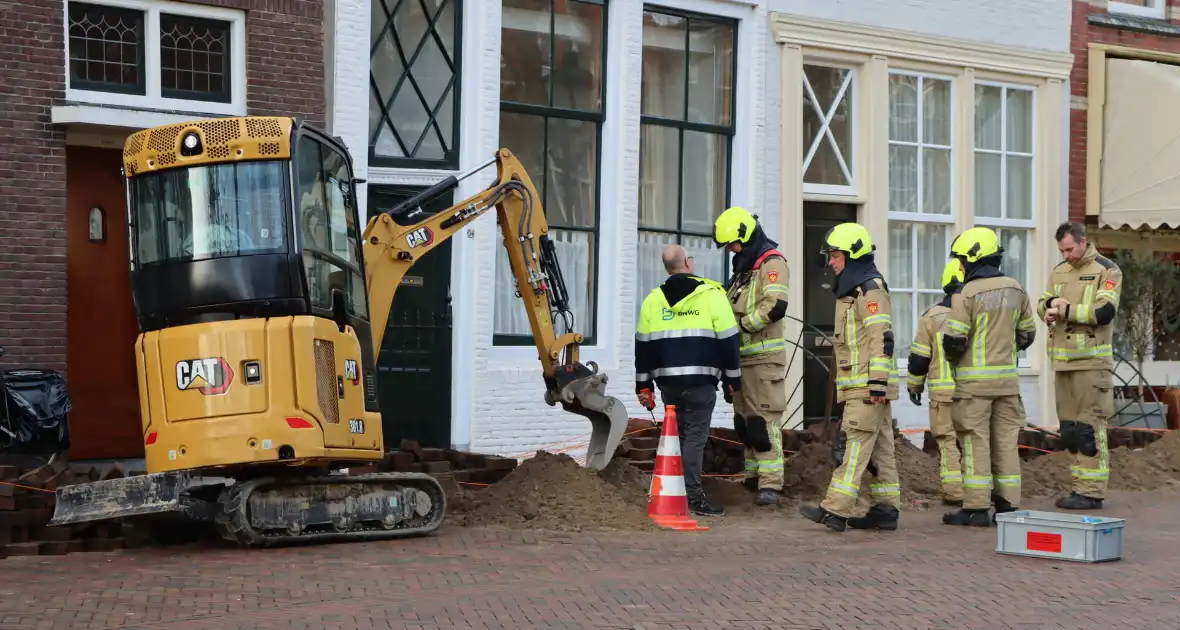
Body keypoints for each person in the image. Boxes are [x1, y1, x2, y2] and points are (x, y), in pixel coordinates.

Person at [798, 222, 902, 532]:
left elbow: (881, 337)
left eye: (835, 255)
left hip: (867, 387)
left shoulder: (870, 289)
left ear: (852, 255)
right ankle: (885, 509)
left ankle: (835, 509)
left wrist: (877, 383)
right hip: (863, 386)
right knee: (881, 448)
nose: (830, 261)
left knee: (854, 445)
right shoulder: (855, 290)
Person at [939, 227, 1037, 526]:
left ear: (972, 259)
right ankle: (1008, 506)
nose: (960, 266)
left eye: (960, 260)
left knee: (974, 442)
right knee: (1006, 443)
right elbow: (1028, 334)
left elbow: (954, 341)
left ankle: (977, 507)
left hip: (974, 387)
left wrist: (956, 358)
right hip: (1008, 384)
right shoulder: (1017, 289)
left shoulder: (966, 293)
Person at [635, 244, 741, 517]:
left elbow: (643, 348)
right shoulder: (712, 295)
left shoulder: (652, 300)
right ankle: (692, 496)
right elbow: (730, 341)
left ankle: (674, 490)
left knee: (677, 436)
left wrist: (642, 386)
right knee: (695, 437)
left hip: (668, 383)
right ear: (688, 264)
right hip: (700, 382)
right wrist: (733, 380)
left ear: (666, 268)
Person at [1037, 222, 1122, 510]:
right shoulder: (1059, 270)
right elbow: (1041, 301)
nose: (1067, 254)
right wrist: (1048, 306)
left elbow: (1105, 311)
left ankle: (1092, 491)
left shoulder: (1107, 270)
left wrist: (1066, 310)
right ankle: (1079, 488)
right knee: (1070, 430)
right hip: (1062, 362)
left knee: (1089, 428)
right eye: (1062, 249)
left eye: (1070, 248)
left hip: (1091, 364)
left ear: (1084, 242)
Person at [712, 207, 791, 506]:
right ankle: (754, 475)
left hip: (763, 359)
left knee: (763, 421)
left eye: (732, 243)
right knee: (744, 423)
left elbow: (775, 306)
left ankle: (771, 483)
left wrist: (741, 327)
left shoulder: (772, 264)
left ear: (746, 236)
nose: (731, 249)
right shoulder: (744, 271)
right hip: (741, 360)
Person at [906, 259, 966, 507]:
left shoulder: (932, 317)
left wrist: (914, 386)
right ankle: (979, 492)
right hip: (974, 392)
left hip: (942, 394)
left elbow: (919, 358)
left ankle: (954, 492)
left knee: (948, 442)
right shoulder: (980, 314)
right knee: (975, 441)